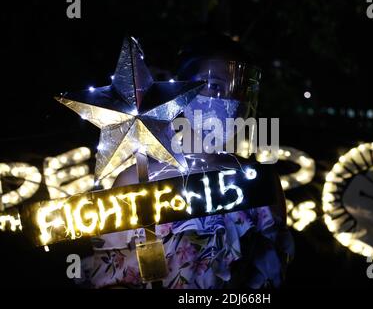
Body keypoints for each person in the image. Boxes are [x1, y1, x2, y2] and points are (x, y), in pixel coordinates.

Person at [78, 34, 294, 289]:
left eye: (238, 88)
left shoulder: (259, 180)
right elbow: (108, 272)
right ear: (181, 90)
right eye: (214, 85)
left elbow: (274, 270)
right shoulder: (134, 179)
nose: (228, 100)